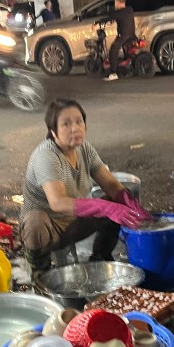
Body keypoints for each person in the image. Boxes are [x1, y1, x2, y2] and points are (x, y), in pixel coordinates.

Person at [20, 98, 152, 275]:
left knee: (116, 202)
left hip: (74, 222)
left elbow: (111, 184)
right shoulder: (46, 155)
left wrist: (130, 204)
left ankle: (100, 258)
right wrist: (106, 208)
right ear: (53, 131)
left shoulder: (84, 149)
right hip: (49, 228)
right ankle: (39, 270)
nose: (75, 128)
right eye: (66, 124)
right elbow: (57, 202)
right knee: (35, 220)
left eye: (79, 121)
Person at [106, 0, 136, 81]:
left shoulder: (119, 13)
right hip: (131, 35)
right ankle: (128, 70)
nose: (115, 5)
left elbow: (110, 17)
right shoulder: (129, 9)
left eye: (115, 3)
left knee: (113, 50)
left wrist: (97, 23)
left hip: (124, 36)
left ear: (119, 3)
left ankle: (114, 73)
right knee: (127, 53)